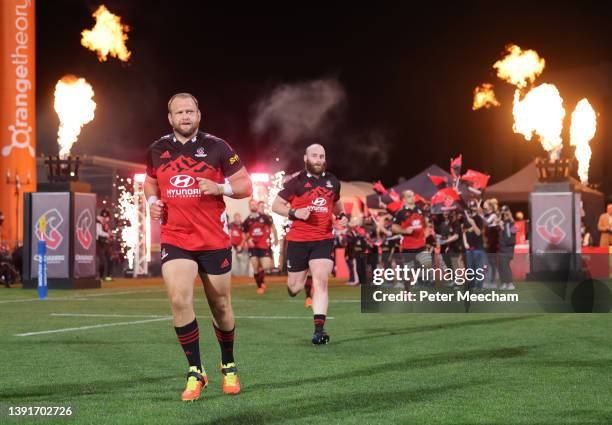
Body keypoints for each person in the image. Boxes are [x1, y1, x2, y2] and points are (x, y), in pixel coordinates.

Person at [144, 93, 252, 401]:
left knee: (221, 306)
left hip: (213, 240)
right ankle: (196, 371)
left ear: (199, 114)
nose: (185, 116)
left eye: (190, 111)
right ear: (170, 118)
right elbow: (150, 182)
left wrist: (220, 187)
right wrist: (152, 202)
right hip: (176, 237)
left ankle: (228, 363)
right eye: (179, 113)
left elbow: (246, 186)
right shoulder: (156, 149)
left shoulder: (218, 146)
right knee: (179, 300)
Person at [272, 143, 347, 345]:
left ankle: (319, 331)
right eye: (314, 156)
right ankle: (295, 284)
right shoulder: (295, 182)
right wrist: (295, 213)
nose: (319, 159)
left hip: (323, 239)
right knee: (294, 287)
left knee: (321, 281)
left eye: (322, 156)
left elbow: (336, 202)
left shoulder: (333, 181)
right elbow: (276, 205)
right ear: (306, 158)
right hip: (298, 241)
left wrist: (341, 215)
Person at [391, 190, 428, 288]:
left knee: (427, 263)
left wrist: (427, 233)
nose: (412, 197)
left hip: (420, 244)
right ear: (404, 199)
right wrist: (405, 231)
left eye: (413, 195)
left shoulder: (420, 210)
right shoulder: (401, 212)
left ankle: (419, 282)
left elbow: (426, 225)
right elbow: (394, 227)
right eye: (409, 196)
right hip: (408, 246)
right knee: (409, 269)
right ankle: (407, 291)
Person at [243, 199, 277, 294]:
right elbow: (244, 233)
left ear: (256, 206)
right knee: (254, 265)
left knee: (265, 267)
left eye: (254, 204)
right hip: (253, 246)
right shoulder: (247, 220)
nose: (253, 206)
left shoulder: (265, 218)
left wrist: (276, 239)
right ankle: (259, 286)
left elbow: (273, 227)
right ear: (249, 206)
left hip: (264, 245)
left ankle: (261, 279)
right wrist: (248, 239)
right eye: (251, 204)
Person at [462, 200, 488, 290]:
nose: (472, 209)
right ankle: (472, 285)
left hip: (478, 248)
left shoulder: (478, 219)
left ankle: (479, 286)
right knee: (470, 268)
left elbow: (478, 233)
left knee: (479, 268)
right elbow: (464, 232)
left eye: (474, 207)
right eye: (471, 207)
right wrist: (465, 242)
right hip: (469, 248)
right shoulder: (466, 220)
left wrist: (473, 223)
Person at [498, 205, 517, 290]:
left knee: (505, 265)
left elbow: (511, 235)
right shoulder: (503, 222)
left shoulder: (511, 222)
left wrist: (503, 227)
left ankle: (510, 283)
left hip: (508, 248)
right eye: (503, 212)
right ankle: (504, 283)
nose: (504, 214)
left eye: (505, 212)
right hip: (502, 247)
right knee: (501, 265)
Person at [96, 209, 113, 281]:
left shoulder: (106, 224)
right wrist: (108, 235)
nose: (105, 219)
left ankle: (108, 276)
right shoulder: (98, 222)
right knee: (102, 260)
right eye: (104, 217)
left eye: (106, 217)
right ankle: (101, 276)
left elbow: (108, 232)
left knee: (110, 259)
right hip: (99, 243)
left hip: (106, 243)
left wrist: (110, 235)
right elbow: (99, 232)